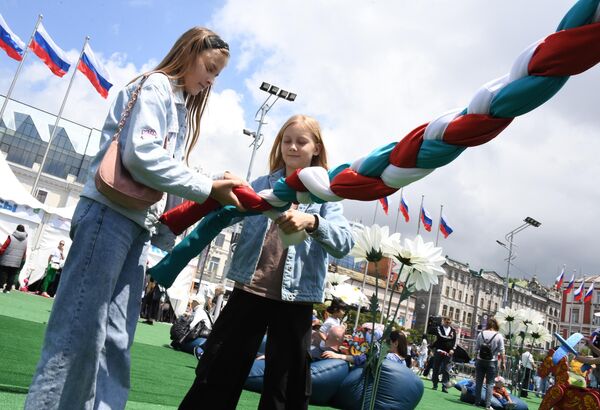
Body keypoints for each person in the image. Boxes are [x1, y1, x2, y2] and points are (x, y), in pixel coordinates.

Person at [25, 27, 245, 410]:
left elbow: (159, 171)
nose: (210, 80)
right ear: (189, 53)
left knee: (114, 339)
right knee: (78, 333)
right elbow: (141, 156)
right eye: (209, 68)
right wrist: (208, 187)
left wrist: (199, 194)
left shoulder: (173, 99)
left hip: (132, 224)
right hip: (109, 217)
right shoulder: (157, 87)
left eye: (217, 74)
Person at [179, 114, 354, 410]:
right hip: (250, 290)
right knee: (217, 372)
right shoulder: (261, 184)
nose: (293, 147)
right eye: (287, 141)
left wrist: (312, 220)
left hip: (295, 300)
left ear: (316, 148)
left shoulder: (325, 195)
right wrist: (225, 190)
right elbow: (224, 211)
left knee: (286, 389)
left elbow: (344, 242)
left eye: (302, 141)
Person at [474, 317, 506, 409]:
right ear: (496, 325)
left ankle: (477, 402)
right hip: (492, 361)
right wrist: (503, 363)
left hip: (480, 360)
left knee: (479, 382)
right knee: (490, 383)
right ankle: (488, 405)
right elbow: (502, 351)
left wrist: (475, 359)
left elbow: (476, 348)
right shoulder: (498, 336)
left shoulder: (481, 334)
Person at [431, 316, 457, 392]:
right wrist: (449, 338)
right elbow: (440, 337)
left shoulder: (453, 331)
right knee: (436, 368)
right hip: (439, 350)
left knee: (446, 369)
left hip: (448, 353)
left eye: (449, 322)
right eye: (446, 321)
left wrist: (452, 349)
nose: (448, 323)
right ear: (444, 321)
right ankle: (435, 384)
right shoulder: (439, 328)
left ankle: (444, 386)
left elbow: (454, 341)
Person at [0, 224, 28, 293]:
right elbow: (24, 251)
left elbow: (4, 247)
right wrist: (22, 260)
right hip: (17, 261)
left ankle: (0, 287)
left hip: (6, 259)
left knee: (3, 273)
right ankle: (8, 289)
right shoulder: (25, 240)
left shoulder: (11, 237)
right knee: (12, 275)